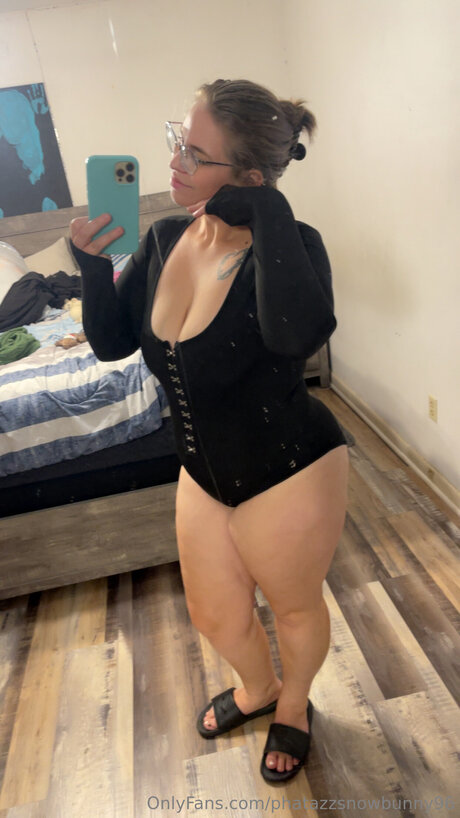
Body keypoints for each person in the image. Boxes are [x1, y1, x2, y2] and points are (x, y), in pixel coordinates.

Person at [70, 78, 349, 784]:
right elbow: (111, 343)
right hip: (201, 472)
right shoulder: (166, 238)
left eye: (195, 153)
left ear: (249, 178)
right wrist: (94, 266)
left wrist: (270, 211)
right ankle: (258, 688)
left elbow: (298, 336)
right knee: (215, 615)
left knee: (294, 609)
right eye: (177, 141)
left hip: (290, 467)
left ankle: (293, 705)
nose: (174, 163)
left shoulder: (293, 247)